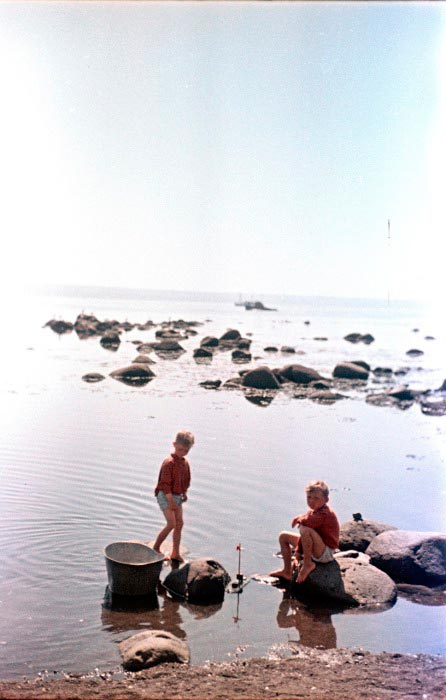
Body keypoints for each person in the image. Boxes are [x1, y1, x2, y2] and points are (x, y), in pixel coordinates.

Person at [269, 480, 339, 583]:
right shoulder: (313, 512)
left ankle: (307, 564)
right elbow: (305, 533)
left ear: (326, 500)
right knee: (283, 536)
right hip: (316, 547)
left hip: (325, 553)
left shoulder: (325, 513)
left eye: (316, 498)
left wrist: (299, 518)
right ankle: (287, 571)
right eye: (309, 497)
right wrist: (297, 554)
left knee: (305, 528)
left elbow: (306, 525)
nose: (311, 501)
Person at [153, 430, 195, 562]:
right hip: (165, 495)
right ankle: (156, 547)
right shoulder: (169, 463)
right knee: (171, 523)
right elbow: (165, 485)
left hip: (177, 495)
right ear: (174, 444)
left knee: (180, 523)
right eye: (180, 449)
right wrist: (170, 502)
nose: (182, 453)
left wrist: (184, 493)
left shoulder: (185, 463)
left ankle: (175, 552)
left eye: (186, 451)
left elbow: (186, 480)